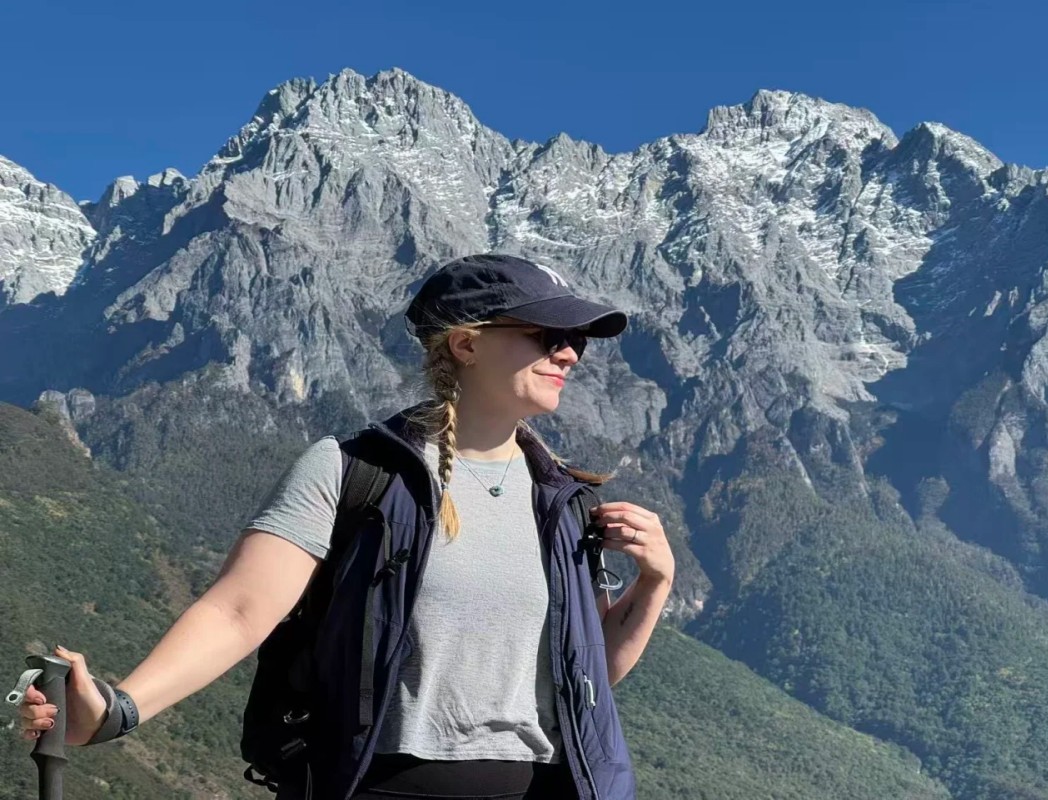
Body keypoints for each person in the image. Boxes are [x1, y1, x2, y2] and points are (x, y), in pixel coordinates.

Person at [13, 254, 675, 799]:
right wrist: (118, 710)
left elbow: (584, 676)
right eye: (547, 335)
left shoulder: (565, 501)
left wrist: (655, 582)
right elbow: (239, 611)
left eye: (578, 341)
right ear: (467, 343)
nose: (570, 354)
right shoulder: (355, 472)